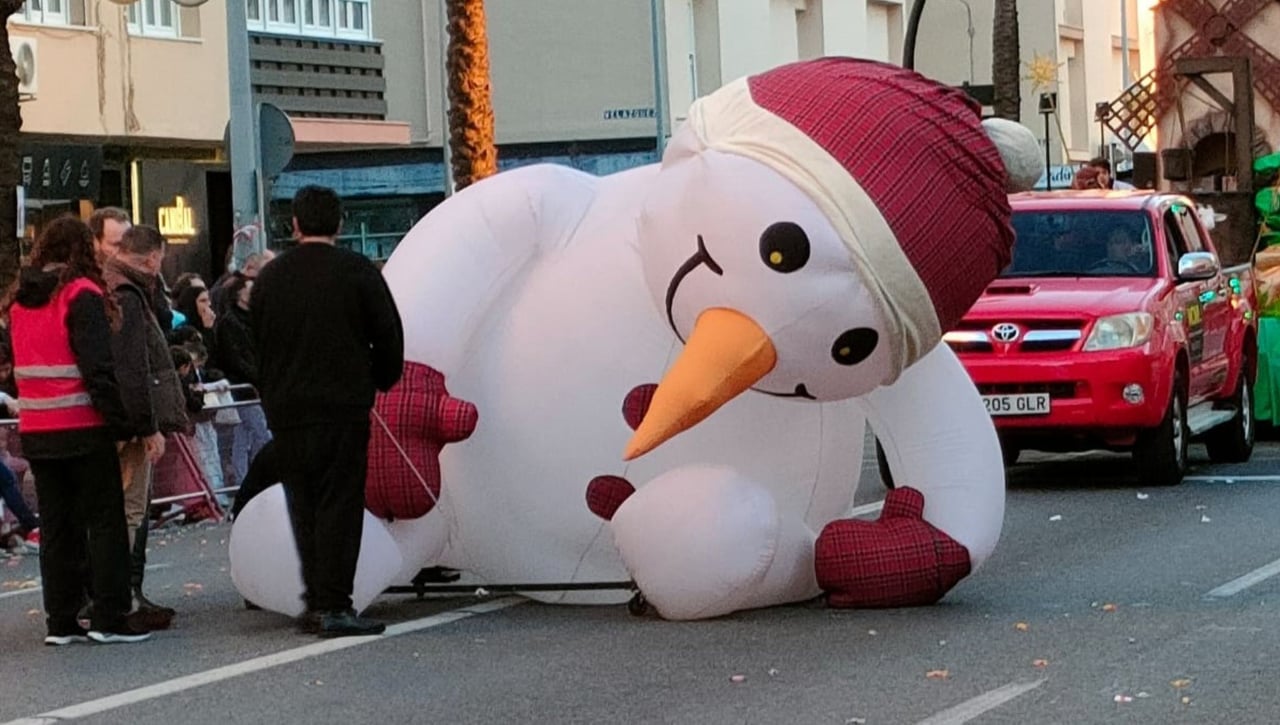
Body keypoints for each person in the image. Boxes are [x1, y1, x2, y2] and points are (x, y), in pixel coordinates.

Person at [252, 185, 404, 638]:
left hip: (287, 408)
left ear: (294, 224)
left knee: (305, 503)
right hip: (342, 406)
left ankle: (316, 600)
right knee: (340, 503)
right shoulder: (357, 272)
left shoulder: (271, 279)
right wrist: (379, 379)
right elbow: (389, 336)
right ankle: (336, 603)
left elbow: (255, 341)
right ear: (339, 224)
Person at [7, 216, 150, 644]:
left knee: (57, 527)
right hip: (83, 426)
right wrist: (123, 424)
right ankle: (110, 615)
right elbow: (98, 371)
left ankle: (61, 621)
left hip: (37, 428)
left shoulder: (18, 301)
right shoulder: (81, 295)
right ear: (82, 251)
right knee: (104, 522)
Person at [101, 224, 189, 628]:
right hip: (131, 420)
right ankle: (126, 595)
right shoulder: (129, 294)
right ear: (153, 256)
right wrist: (147, 424)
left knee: (120, 507)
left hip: (112, 416)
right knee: (132, 508)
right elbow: (134, 366)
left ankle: (124, 593)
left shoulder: (111, 283)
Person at [215, 276, 271, 488]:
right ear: (239, 294)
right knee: (260, 434)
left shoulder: (253, 319)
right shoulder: (231, 322)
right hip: (245, 388)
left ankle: (244, 479)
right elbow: (236, 358)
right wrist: (258, 376)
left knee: (244, 437)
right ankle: (253, 478)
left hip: (252, 386)